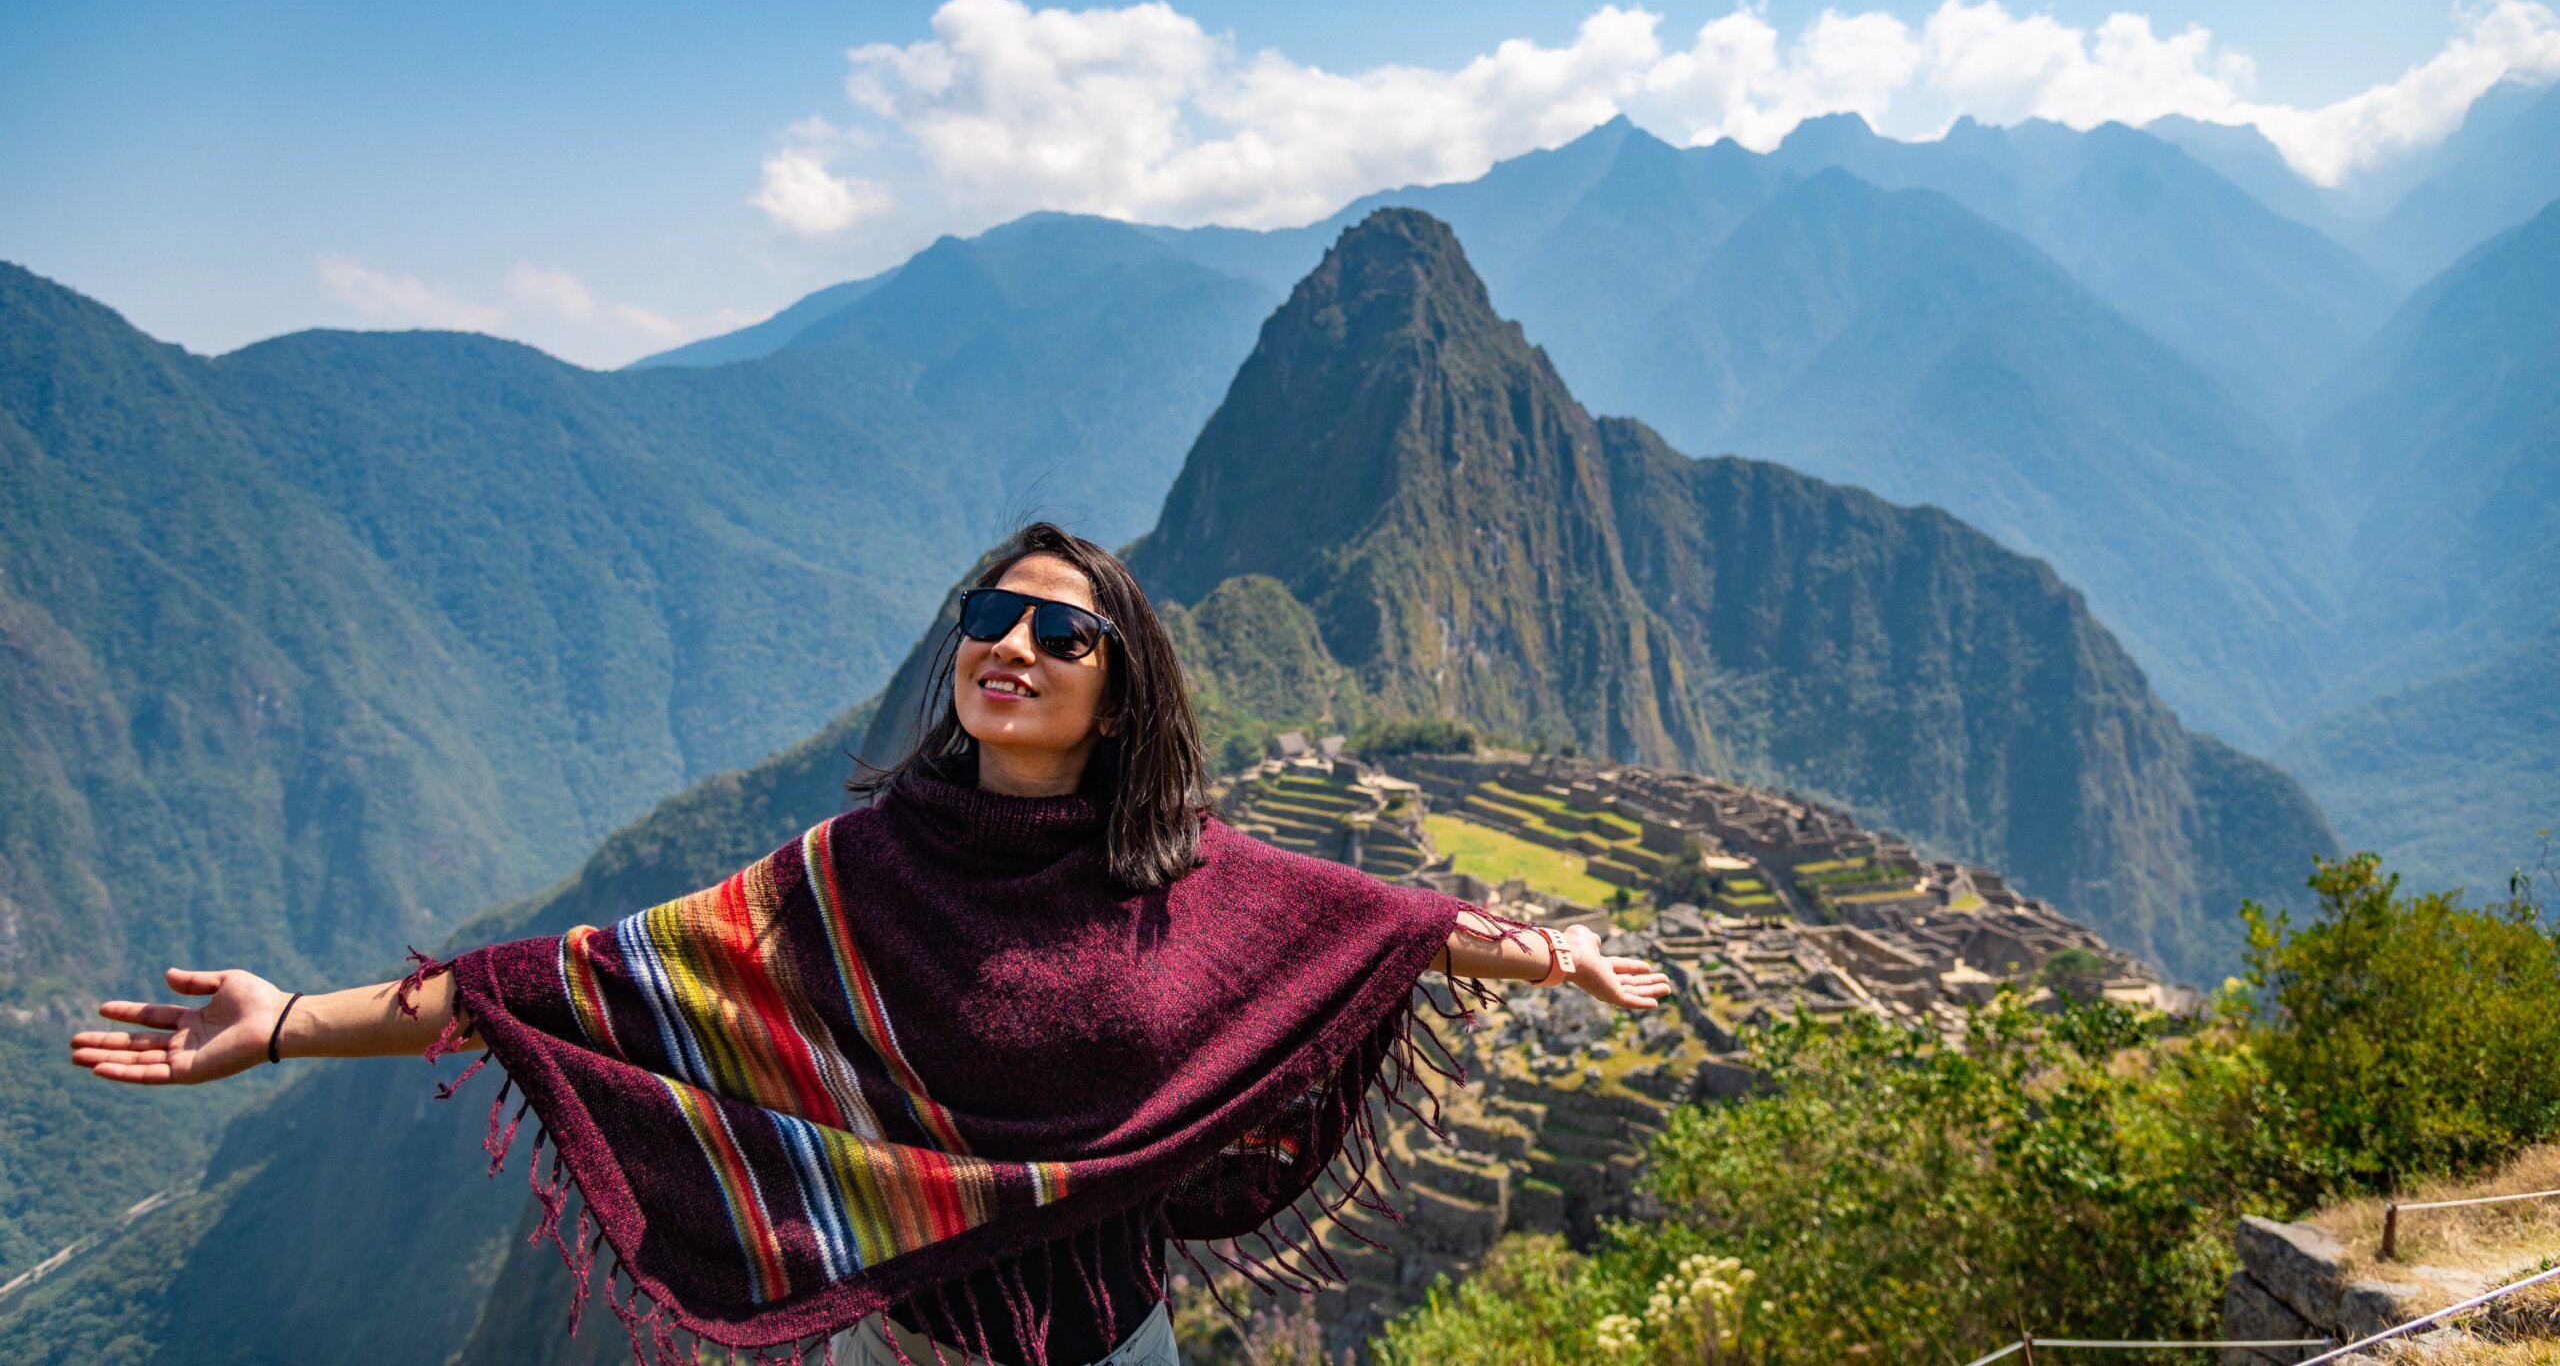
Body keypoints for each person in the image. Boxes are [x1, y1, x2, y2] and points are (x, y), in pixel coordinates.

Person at [74, 523, 1670, 1366]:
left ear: (1122, 684)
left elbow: (1376, 925)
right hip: (919, 1344)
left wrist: (1553, 954)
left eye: (1064, 632)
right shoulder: (840, 883)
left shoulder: (1178, 874)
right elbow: (545, 989)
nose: (1015, 647)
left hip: (1121, 1344)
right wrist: (287, 1021)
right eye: (990, 616)